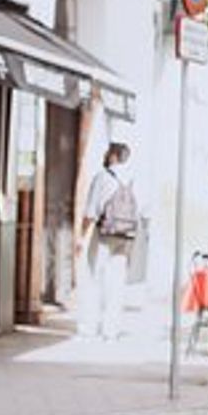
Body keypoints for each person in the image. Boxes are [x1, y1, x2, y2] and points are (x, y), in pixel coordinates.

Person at [77, 143, 138, 339]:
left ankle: (89, 327)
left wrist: (80, 236)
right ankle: (111, 330)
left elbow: (90, 211)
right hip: (125, 236)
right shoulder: (133, 179)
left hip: (103, 235)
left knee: (94, 280)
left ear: (113, 156)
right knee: (116, 282)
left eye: (107, 153)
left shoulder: (103, 177)